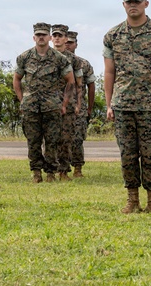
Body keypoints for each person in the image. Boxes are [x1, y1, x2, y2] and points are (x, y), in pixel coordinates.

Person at [103, 0, 151, 213]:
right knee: (127, 154)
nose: (133, 5)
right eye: (129, 2)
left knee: (150, 153)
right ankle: (132, 199)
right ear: (123, 4)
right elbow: (109, 72)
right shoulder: (112, 36)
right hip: (123, 104)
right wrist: (109, 104)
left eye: (137, 1)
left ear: (146, 3)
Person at [13, 23, 75, 182]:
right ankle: (36, 172)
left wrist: (64, 103)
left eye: (44, 35)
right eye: (38, 35)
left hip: (52, 106)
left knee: (52, 141)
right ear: (34, 37)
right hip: (31, 107)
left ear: (49, 37)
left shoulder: (59, 58)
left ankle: (50, 173)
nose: (41, 37)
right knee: (33, 141)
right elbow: (17, 79)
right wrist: (22, 100)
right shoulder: (24, 57)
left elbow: (70, 81)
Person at [51, 24, 82, 181]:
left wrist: (78, 104)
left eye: (60, 35)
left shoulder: (74, 60)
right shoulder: (45, 56)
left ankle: (63, 171)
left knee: (66, 139)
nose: (57, 38)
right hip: (48, 104)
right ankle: (50, 170)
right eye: (54, 35)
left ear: (65, 38)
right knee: (50, 139)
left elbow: (78, 84)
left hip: (68, 105)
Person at [66, 31, 96, 178]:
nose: (67, 45)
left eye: (71, 42)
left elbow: (91, 86)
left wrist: (89, 107)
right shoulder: (54, 60)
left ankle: (78, 169)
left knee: (77, 138)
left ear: (76, 44)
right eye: (66, 42)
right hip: (60, 106)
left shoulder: (84, 63)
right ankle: (58, 169)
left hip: (79, 107)